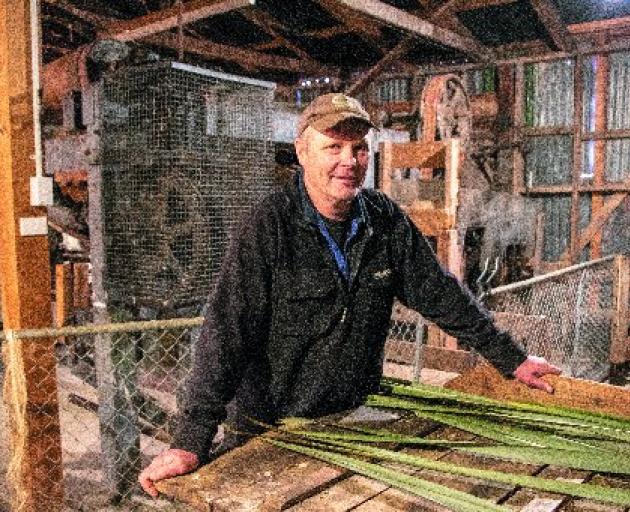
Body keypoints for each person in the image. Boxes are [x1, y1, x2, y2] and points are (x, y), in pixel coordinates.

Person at [139, 93, 561, 497]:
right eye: (333, 147)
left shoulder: (384, 220)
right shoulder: (269, 226)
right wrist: (191, 441)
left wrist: (512, 359)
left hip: (353, 423)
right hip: (272, 432)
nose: (349, 161)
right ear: (302, 152)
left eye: (359, 148)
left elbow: (441, 295)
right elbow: (225, 335)